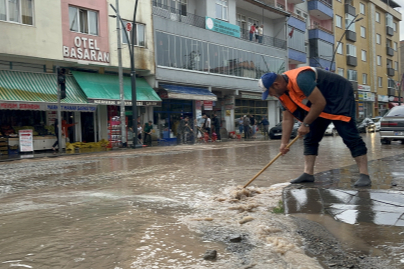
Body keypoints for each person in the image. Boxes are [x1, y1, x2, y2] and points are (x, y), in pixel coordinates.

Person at [258, 66, 371, 187]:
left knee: (348, 134)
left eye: (269, 92)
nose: (270, 95)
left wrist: (305, 124)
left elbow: (320, 102)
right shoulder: (281, 94)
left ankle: (364, 174)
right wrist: (283, 143)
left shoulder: (301, 79)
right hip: (318, 102)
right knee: (310, 137)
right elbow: (286, 118)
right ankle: (308, 173)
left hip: (339, 95)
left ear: (276, 84)